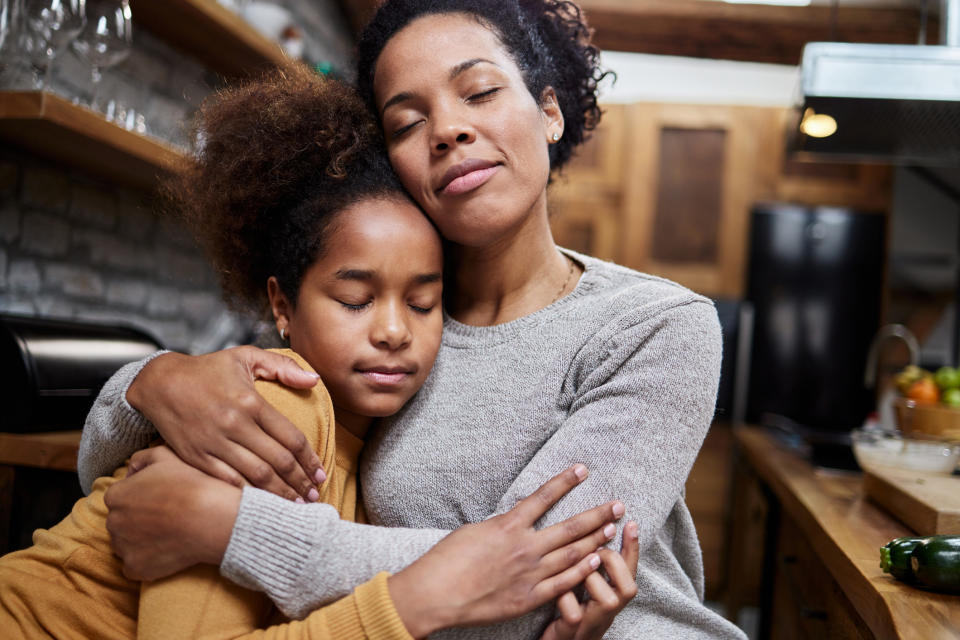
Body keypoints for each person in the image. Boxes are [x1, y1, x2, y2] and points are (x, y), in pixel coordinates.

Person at [78, 0, 748, 637]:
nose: (448, 129)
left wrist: (235, 530)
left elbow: (530, 587)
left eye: (480, 92)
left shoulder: (657, 326)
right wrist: (151, 385)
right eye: (405, 122)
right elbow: (120, 463)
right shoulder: (386, 325)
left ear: (550, 112)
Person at [0, 70, 636, 639]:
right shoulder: (271, 417)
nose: (394, 331)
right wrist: (412, 603)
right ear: (282, 306)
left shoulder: (374, 451)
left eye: (422, 304)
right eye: (356, 300)